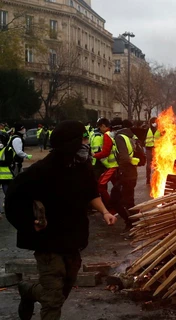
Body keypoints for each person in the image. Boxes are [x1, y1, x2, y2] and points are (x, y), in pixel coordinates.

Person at [5, 120, 116, 320]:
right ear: (70, 143)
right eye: (82, 139)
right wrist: (27, 223)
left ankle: (29, 290)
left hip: (73, 238)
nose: (86, 143)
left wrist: (105, 212)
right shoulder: (42, 171)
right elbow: (13, 197)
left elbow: (91, 192)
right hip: (48, 241)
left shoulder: (82, 167)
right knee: (54, 298)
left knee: (64, 287)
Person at [110, 118, 138, 233]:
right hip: (131, 173)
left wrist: (120, 169)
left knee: (116, 200)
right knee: (128, 201)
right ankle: (136, 223)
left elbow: (124, 157)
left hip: (126, 174)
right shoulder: (129, 136)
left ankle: (132, 224)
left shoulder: (119, 138)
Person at [92, 118, 118, 211]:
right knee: (117, 186)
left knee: (101, 186)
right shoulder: (113, 133)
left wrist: (95, 155)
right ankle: (120, 204)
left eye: (100, 127)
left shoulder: (107, 135)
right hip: (116, 165)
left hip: (111, 166)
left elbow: (105, 152)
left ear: (103, 125)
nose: (100, 130)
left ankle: (110, 207)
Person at [145, 117, 161, 185]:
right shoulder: (147, 130)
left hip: (157, 149)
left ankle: (156, 179)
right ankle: (148, 178)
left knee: (157, 165)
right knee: (148, 165)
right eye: (153, 122)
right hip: (149, 149)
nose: (154, 123)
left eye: (155, 122)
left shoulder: (160, 130)